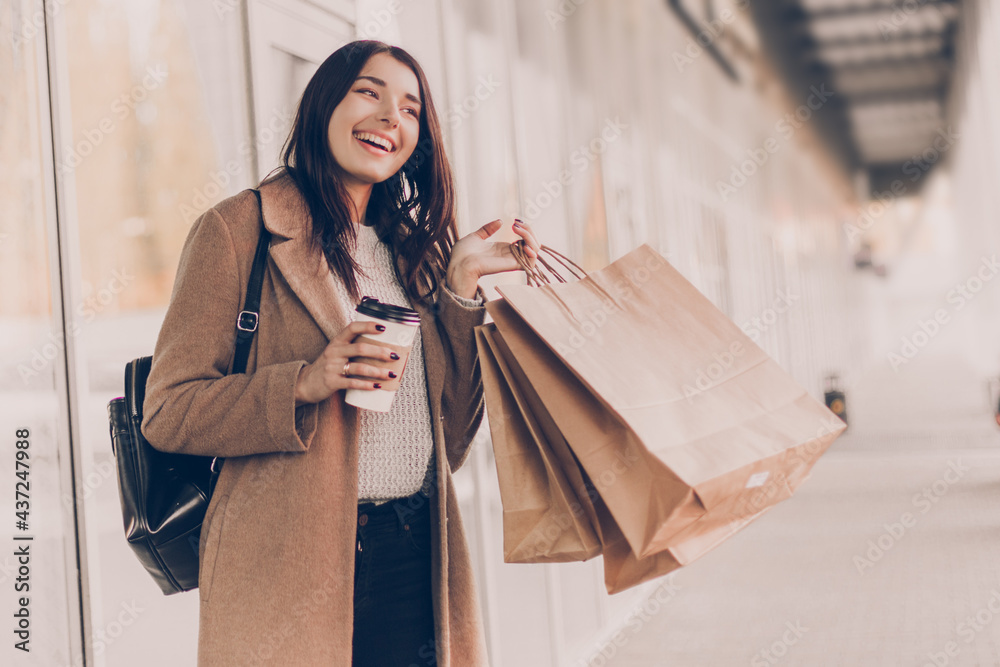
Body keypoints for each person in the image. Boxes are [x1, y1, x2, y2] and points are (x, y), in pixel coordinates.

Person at [141, 40, 540, 666]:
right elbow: (168, 411)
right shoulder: (237, 230)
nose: (390, 118)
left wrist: (460, 289)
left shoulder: (411, 253)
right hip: (288, 566)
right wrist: (303, 382)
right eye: (369, 92)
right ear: (324, 102)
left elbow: (452, 443)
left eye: (410, 109)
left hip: (416, 554)